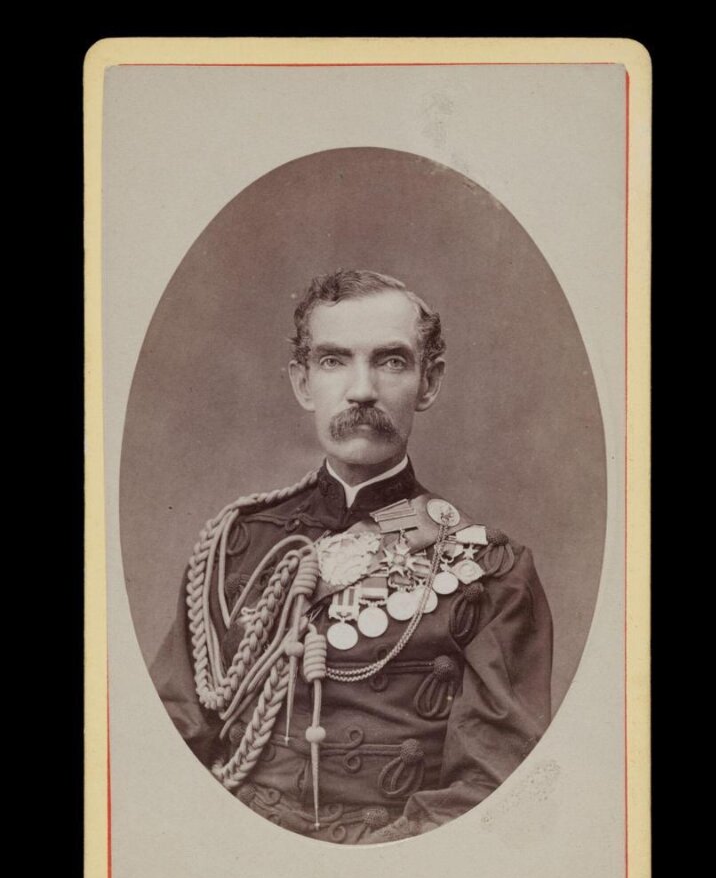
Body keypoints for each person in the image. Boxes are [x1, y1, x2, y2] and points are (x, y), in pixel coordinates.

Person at [152, 269, 553, 845]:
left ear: (429, 382)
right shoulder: (232, 545)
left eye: (391, 361)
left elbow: (487, 790)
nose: (361, 390)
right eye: (334, 360)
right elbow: (171, 741)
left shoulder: (490, 571)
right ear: (303, 382)